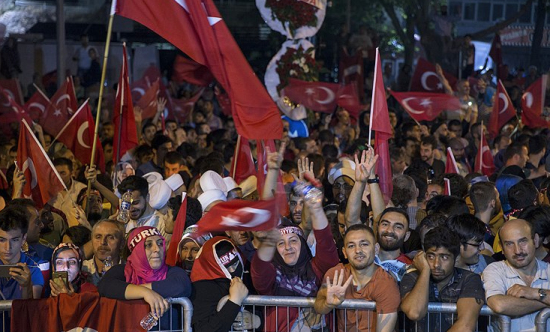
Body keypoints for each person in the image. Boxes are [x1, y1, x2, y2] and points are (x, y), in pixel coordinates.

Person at [251, 191, 339, 331]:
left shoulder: (317, 268)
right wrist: (268, 240)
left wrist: (316, 209)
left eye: (293, 241)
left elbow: (326, 243)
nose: (288, 247)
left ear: (303, 245)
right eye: (280, 243)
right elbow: (259, 268)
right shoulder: (273, 275)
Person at [314, 224, 399, 332]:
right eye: (351, 246)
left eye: (364, 244)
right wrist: (328, 304)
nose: (358, 250)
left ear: (376, 248)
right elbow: (318, 306)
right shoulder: (335, 274)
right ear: (344, 252)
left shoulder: (386, 283)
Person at [401, 226, 485, 332]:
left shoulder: (469, 279)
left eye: (444, 257)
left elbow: (465, 326)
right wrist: (425, 271)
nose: (436, 264)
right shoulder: (413, 277)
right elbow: (414, 312)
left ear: (456, 258)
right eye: (431, 256)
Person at [99, 227, 191, 319]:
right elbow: (105, 285)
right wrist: (145, 292)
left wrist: (138, 290)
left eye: (160, 244)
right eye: (148, 245)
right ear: (136, 250)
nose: (157, 249)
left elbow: (181, 286)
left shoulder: (172, 271)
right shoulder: (123, 270)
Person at [483, 219, 550, 331]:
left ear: (536, 240)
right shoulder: (495, 270)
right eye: (509, 244)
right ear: (502, 248)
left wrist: (534, 293)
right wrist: (545, 302)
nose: (518, 250)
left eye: (523, 241)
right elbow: (499, 305)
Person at [190, 236, 250, 332]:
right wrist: (234, 301)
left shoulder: (247, 274)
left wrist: (257, 321)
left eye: (235, 264)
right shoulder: (202, 288)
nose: (232, 270)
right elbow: (204, 329)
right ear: (212, 266)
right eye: (224, 267)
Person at [0, 205, 44, 299]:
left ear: (23, 239)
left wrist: (26, 286)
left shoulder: (33, 269)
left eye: (14, 240)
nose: (8, 247)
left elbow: (30, 309)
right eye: (2, 240)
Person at [82, 219, 125, 286]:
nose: (102, 242)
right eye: (98, 237)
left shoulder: (130, 272)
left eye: (110, 237)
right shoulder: (81, 270)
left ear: (122, 243)